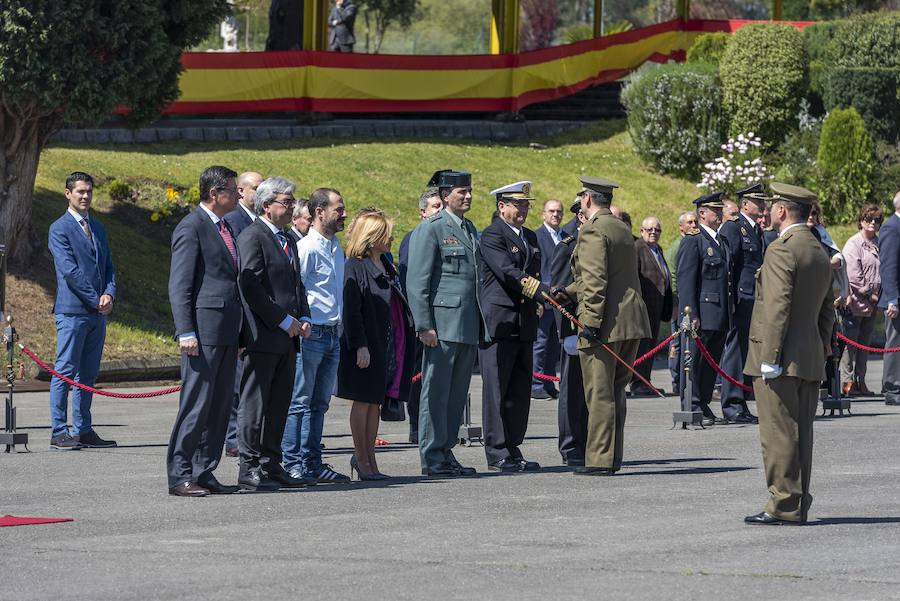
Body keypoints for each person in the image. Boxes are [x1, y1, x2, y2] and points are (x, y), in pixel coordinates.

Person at [744, 182, 835, 526]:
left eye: (773, 206)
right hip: (808, 356)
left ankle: (783, 504)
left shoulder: (782, 249)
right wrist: (822, 341)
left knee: (779, 434)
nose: (768, 212)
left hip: (780, 358)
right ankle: (797, 502)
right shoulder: (817, 248)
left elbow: (777, 307)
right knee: (801, 436)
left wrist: (770, 355)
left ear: (782, 210)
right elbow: (829, 306)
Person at [560, 176, 650, 476]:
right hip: (630, 321)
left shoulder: (593, 230)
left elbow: (596, 280)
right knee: (616, 392)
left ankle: (599, 459)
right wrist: (567, 291)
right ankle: (613, 456)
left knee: (599, 394)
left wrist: (591, 322)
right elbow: (612, 274)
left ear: (587, 199)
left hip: (605, 324)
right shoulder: (621, 228)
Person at [166, 166, 243, 497]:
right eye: (232, 189)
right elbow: (180, 284)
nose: (238, 194)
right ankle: (180, 473)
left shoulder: (226, 226)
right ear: (215, 194)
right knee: (196, 405)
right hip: (203, 332)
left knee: (220, 405)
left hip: (227, 331)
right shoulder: (192, 227)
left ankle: (204, 469)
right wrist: (185, 330)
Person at [406, 170, 485, 477]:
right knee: (435, 393)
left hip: (466, 322)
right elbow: (418, 282)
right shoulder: (431, 229)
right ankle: (432, 456)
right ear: (445, 195)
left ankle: (446, 449)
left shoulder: (467, 227)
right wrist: (424, 324)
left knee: (455, 394)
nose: (467, 196)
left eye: (469, 191)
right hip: (440, 324)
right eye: (461, 192)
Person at [235, 177, 312, 491]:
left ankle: (271, 463)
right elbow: (250, 287)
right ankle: (249, 466)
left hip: (288, 337)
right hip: (263, 335)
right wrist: (282, 320)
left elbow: (296, 283)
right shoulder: (252, 236)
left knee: (280, 402)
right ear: (267, 205)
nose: (292, 206)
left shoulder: (288, 239)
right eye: (287, 201)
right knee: (255, 404)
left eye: (293, 200)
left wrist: (303, 315)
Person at [338, 210, 415, 480]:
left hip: (385, 345)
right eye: (386, 234)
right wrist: (359, 345)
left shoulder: (386, 263)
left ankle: (370, 460)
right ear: (371, 238)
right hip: (363, 346)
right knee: (362, 403)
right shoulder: (355, 266)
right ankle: (361, 459)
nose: (391, 238)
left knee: (374, 404)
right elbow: (352, 310)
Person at [282, 187, 351, 483]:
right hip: (311, 334)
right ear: (319, 212)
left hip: (332, 333)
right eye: (338, 209)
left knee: (319, 403)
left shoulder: (336, 247)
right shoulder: (307, 247)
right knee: (299, 401)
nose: (343, 214)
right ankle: (292, 461)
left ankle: (312, 462)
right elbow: (295, 290)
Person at [479, 181, 547, 472]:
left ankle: (513, 445)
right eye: (517, 204)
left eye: (526, 204)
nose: (523, 209)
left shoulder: (530, 235)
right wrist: (543, 291)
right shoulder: (492, 235)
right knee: (497, 388)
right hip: (501, 321)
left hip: (525, 320)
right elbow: (508, 272)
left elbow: (534, 269)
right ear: (501, 206)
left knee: (519, 389)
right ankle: (496, 451)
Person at [47, 172, 117, 451]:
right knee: (64, 372)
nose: (85, 196)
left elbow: (109, 266)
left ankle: (83, 429)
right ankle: (58, 431)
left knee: (87, 375)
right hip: (73, 311)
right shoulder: (59, 228)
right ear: (68, 194)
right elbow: (70, 272)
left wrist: (109, 293)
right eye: (80, 192)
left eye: (89, 191)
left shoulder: (98, 227)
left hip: (96, 313)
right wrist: (95, 299)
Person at [676, 192, 733, 427]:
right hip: (702, 311)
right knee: (695, 360)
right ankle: (692, 403)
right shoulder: (693, 240)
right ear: (702, 214)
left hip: (719, 312)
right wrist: (691, 314)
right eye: (715, 210)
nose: (719, 214)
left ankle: (704, 401)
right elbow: (686, 279)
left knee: (711, 362)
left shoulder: (721, 241)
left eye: (720, 210)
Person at [717, 183, 766, 424]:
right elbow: (729, 267)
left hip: (753, 299)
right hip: (740, 298)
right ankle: (732, 405)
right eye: (759, 201)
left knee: (745, 352)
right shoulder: (734, 227)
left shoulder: (756, 230)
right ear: (745, 204)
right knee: (735, 352)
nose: (764, 206)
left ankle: (740, 401)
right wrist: (730, 301)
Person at [398, 188, 445, 444]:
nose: (439, 210)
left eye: (441, 205)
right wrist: (420, 320)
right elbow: (410, 282)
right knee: (419, 377)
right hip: (421, 322)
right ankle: (417, 426)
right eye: (434, 206)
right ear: (422, 212)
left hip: (445, 320)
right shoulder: (414, 237)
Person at [222, 170, 263, 457]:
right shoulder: (234, 221)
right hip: (239, 311)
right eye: (256, 188)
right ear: (241, 192)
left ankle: (249, 435)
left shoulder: (258, 221)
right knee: (237, 382)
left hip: (257, 311)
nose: (261, 193)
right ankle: (234, 437)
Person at [552, 197, 588, 466]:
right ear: (580, 217)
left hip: (595, 328)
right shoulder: (568, 247)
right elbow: (559, 293)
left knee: (591, 390)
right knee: (572, 389)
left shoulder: (595, 244)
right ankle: (571, 445)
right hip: (574, 328)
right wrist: (566, 331)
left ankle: (588, 441)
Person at [840, 204, 883, 396]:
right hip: (856, 302)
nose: (873, 223)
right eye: (869, 219)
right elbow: (853, 275)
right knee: (850, 346)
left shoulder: (878, 243)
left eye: (877, 220)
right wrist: (870, 294)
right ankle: (847, 383)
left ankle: (861, 381)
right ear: (861, 221)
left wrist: (879, 296)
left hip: (873, 304)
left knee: (865, 346)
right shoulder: (854, 244)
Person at [632, 215, 673, 397]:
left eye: (657, 230)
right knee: (641, 347)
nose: (653, 233)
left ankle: (645, 380)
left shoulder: (658, 249)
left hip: (656, 308)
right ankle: (637, 382)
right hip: (642, 308)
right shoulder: (637, 249)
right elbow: (633, 279)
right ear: (641, 231)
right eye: (649, 230)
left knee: (651, 346)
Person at [532, 199, 564, 400]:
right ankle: (536, 384)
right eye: (551, 211)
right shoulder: (536, 237)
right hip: (544, 299)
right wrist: (537, 298)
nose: (555, 215)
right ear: (543, 214)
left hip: (561, 301)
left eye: (559, 211)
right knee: (540, 343)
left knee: (554, 345)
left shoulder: (565, 236)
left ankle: (549, 382)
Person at [665, 211, 697, 394]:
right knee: (676, 343)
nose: (693, 225)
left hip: (686, 303)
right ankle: (676, 379)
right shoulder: (678, 246)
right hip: (678, 303)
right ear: (681, 227)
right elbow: (674, 276)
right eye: (689, 222)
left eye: (695, 222)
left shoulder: (691, 242)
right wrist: (676, 304)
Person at [879, 191, 900, 406]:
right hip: (896, 299)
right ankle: (893, 389)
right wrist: (893, 298)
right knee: (895, 344)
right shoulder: (892, 227)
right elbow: (888, 266)